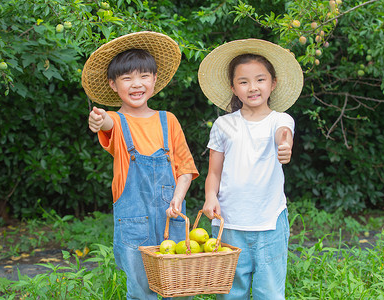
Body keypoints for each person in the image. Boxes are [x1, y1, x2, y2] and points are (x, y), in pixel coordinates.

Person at [82, 31, 199, 300]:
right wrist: (99, 120)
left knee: (181, 289)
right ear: (113, 84)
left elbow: (185, 169)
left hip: (173, 218)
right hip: (134, 223)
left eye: (144, 76)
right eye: (127, 78)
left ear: (155, 80)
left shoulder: (168, 120)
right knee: (140, 290)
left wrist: (177, 200)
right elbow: (106, 124)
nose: (137, 84)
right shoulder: (116, 122)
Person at [198, 38, 303, 299]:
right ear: (233, 88)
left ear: (273, 83)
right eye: (243, 82)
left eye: (260, 79)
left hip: (270, 222)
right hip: (229, 223)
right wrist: (210, 196)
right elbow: (214, 173)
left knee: (270, 292)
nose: (252, 87)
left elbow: (283, 134)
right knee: (231, 291)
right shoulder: (223, 125)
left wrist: (285, 146)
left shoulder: (280, 119)